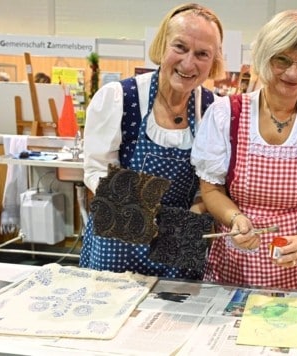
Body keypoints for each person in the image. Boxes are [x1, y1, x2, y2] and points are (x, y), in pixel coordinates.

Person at [191, 9, 297, 293]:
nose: (293, 73)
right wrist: (236, 219)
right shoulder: (226, 115)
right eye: (282, 60)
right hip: (238, 261)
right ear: (265, 56)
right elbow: (211, 190)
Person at [80, 3, 225, 278]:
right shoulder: (119, 98)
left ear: (213, 61)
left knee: (177, 310)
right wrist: (140, 211)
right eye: (180, 47)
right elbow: (96, 168)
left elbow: (214, 182)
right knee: (115, 310)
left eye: (202, 54)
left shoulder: (214, 110)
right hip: (121, 228)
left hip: (182, 229)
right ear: (162, 46)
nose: (188, 63)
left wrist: (197, 209)